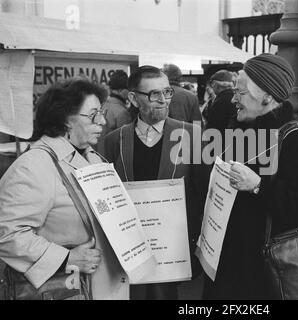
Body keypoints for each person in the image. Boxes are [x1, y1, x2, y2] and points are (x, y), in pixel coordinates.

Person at [202, 53, 298, 299]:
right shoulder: (238, 129)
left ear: (268, 96)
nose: (234, 99)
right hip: (226, 264)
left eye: (241, 93)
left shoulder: (294, 141)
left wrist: (258, 186)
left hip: (262, 275)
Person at [0, 78, 129, 300]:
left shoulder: (94, 158)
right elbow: (7, 234)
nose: (102, 122)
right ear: (66, 120)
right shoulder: (33, 165)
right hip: (62, 289)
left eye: (102, 113)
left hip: (101, 285)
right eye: (93, 115)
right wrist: (65, 258)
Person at [103, 65, 204, 300]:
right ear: (133, 99)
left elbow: (202, 194)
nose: (163, 100)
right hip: (130, 250)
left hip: (174, 251)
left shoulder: (192, 136)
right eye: (154, 94)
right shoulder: (114, 141)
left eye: (167, 92)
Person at [96, 70, 133, 154]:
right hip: (113, 159)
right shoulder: (122, 112)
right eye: (128, 89)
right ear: (122, 91)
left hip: (98, 157)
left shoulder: (101, 106)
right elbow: (125, 143)